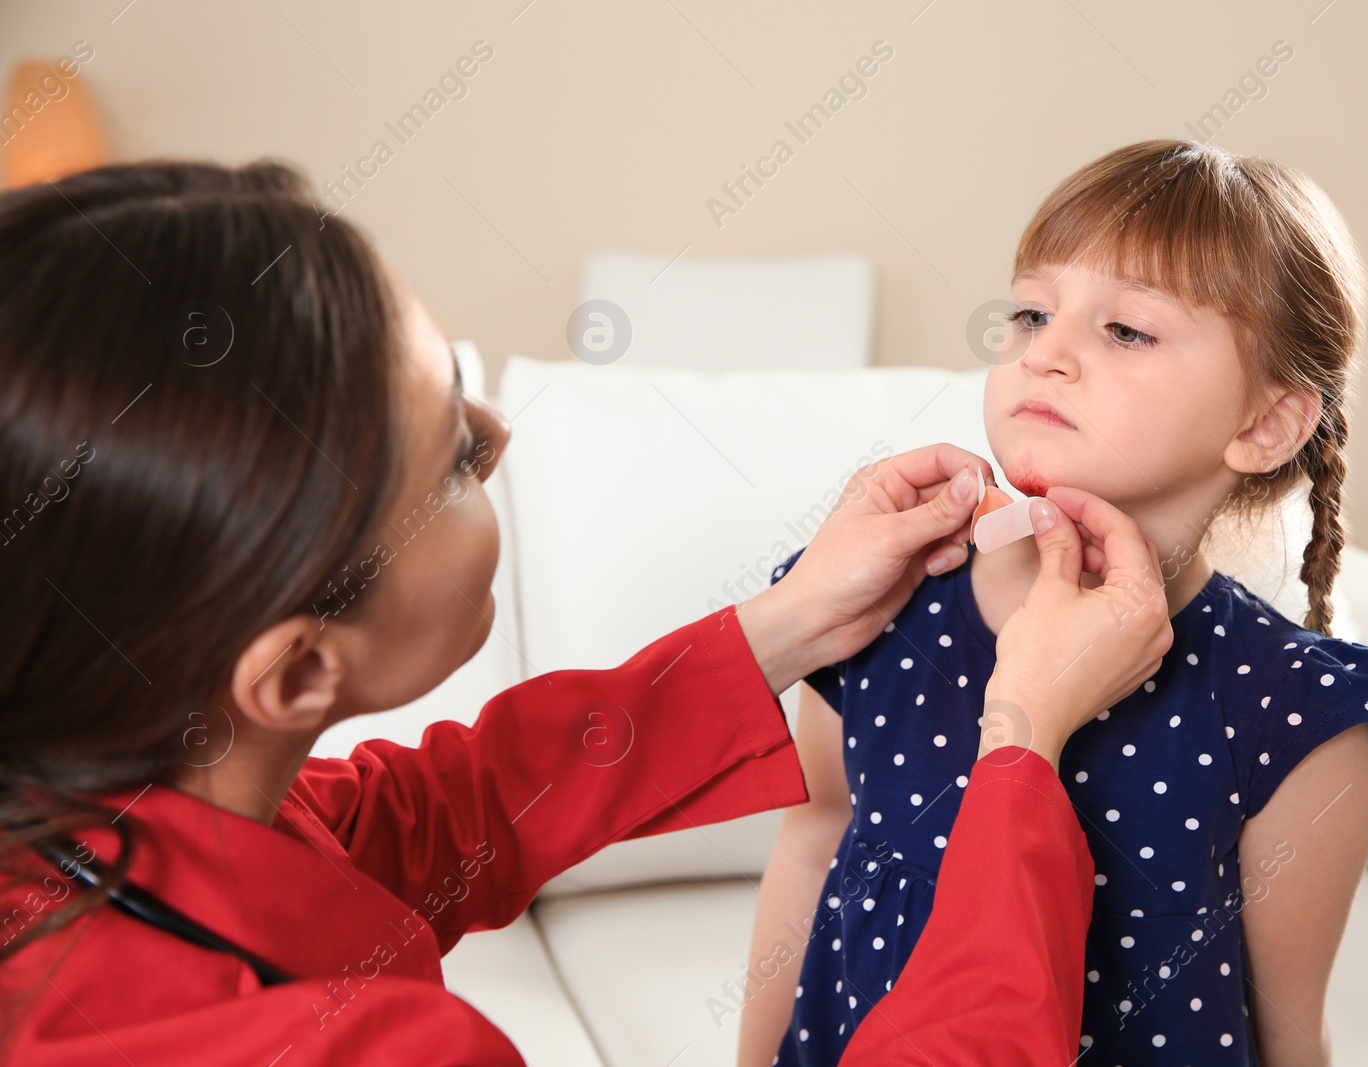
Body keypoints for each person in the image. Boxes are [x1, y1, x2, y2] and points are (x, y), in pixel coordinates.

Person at [0, 159, 1169, 1065]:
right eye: (455, 456)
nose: (501, 440)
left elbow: (435, 815)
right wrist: (1022, 743)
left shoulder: (108, 818)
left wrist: (795, 618)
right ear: (299, 671)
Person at [743, 139, 1368, 1067]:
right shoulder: (876, 607)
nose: (1045, 355)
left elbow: (1287, 1030)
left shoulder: (1298, 718)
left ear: (1264, 423)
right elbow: (816, 836)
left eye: (1127, 331)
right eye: (1030, 313)